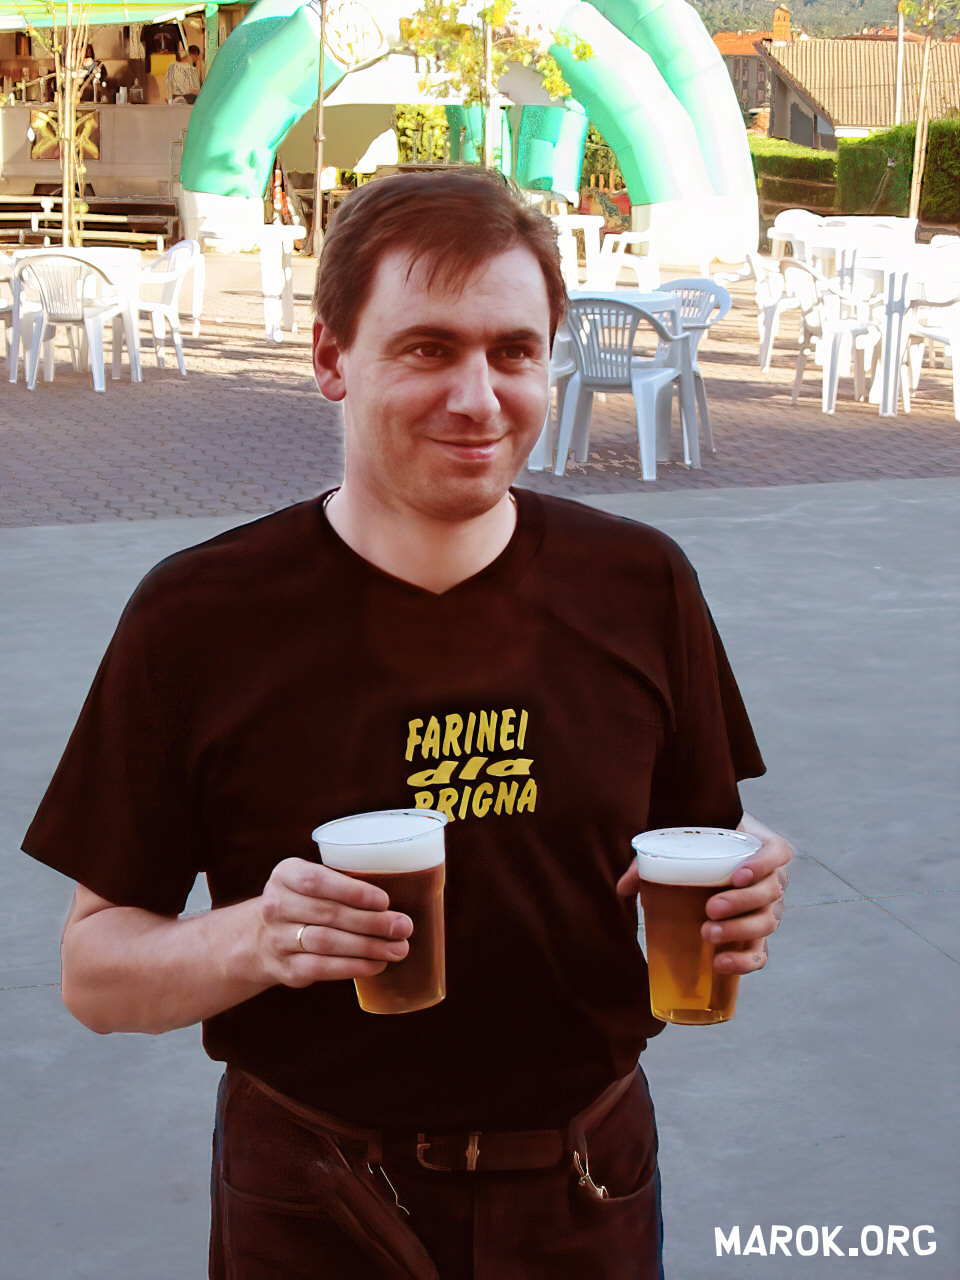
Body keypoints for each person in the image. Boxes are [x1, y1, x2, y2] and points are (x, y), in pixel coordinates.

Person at [23, 169, 791, 1279]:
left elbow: (697, 830)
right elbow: (94, 972)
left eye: (513, 351)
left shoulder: (639, 583)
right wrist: (258, 936)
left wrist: (747, 877)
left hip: (587, 1184)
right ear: (332, 358)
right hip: (316, 1194)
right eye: (428, 348)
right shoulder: (200, 614)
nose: (479, 397)